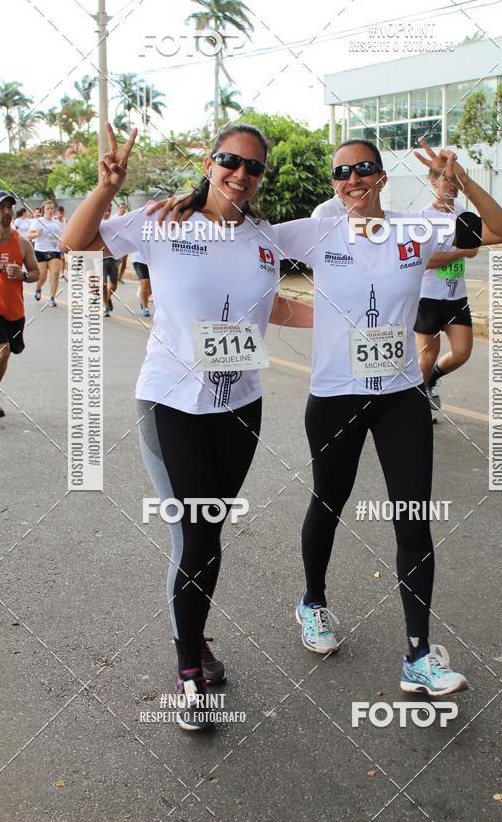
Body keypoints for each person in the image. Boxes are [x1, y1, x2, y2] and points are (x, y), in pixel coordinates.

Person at [62, 122, 313, 731]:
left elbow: (271, 306)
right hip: (172, 402)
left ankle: (193, 634)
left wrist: (344, 323)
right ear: (209, 161)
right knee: (197, 535)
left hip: (239, 404)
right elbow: (76, 245)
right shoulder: (164, 221)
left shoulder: (262, 235)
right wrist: (104, 187)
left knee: (206, 535)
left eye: (253, 167)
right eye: (231, 161)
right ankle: (189, 676)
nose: (241, 174)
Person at [269, 137, 502, 696]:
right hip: (334, 395)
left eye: (363, 170)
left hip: (402, 394)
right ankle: (313, 601)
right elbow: (240, 234)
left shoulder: (414, 229)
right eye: (341, 173)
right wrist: (193, 203)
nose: (352, 180)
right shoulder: (317, 230)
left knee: (412, 515)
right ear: (334, 183)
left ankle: (418, 655)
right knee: (328, 501)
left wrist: (462, 177)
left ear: (381, 176)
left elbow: (499, 233)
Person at [414, 167, 479, 414]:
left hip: (456, 296)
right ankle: (418, 408)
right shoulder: (421, 217)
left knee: (462, 352)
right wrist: (458, 251)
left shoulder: (464, 215)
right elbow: (423, 261)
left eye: (455, 180)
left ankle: (431, 380)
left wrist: (450, 253)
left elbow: (473, 250)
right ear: (434, 182)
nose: (452, 184)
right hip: (428, 297)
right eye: (446, 179)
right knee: (427, 358)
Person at [0, 191, 39, 419]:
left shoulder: (21, 243)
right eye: (1, 207)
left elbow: (35, 273)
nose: (6, 211)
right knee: (2, 352)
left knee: (9, 352)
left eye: (9, 207)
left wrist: (22, 275)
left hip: (14, 309)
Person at [27, 199, 63, 306]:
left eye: (52, 208)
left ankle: (52, 298)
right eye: (48, 209)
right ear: (43, 210)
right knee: (42, 276)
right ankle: (38, 288)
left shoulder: (56, 223)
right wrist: (37, 234)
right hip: (40, 251)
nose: (51, 210)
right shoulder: (38, 222)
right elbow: (29, 235)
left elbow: (61, 236)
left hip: (54, 251)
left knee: (55, 274)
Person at [100, 203, 120, 317]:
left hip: (113, 257)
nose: (107, 212)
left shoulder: (114, 222)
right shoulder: (96, 222)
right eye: (106, 209)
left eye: (109, 209)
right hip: (100, 257)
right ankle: (105, 306)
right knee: (103, 283)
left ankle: (107, 299)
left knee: (113, 285)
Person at [116, 201, 129, 282]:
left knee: (124, 261)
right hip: (116, 242)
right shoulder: (114, 218)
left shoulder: (127, 218)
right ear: (118, 209)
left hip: (125, 242)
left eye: (124, 208)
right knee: (118, 260)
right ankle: (114, 276)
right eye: (121, 208)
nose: (123, 209)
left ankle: (120, 277)